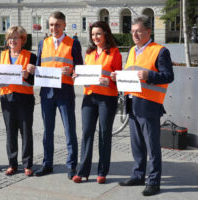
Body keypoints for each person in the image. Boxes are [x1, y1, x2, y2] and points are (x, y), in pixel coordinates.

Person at [111, 15, 174, 196]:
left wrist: (149, 75)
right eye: (132, 31)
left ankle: (153, 181)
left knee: (152, 146)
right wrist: (119, 77)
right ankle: (138, 175)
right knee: (137, 144)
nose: (135, 34)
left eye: (138, 31)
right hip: (132, 103)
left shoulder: (160, 51)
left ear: (148, 31)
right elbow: (131, 73)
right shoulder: (132, 51)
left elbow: (168, 76)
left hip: (149, 105)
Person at [30, 11, 83, 179]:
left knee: (69, 130)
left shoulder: (72, 43)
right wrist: (32, 70)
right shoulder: (42, 43)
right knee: (48, 131)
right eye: (52, 25)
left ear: (64, 25)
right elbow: (39, 67)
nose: (54, 28)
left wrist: (73, 70)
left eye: (58, 25)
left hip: (65, 92)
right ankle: (47, 164)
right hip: (46, 93)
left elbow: (80, 69)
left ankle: (72, 165)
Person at [72, 21, 122, 184]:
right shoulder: (89, 53)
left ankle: (102, 172)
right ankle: (83, 170)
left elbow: (120, 80)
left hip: (107, 98)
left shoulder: (115, 53)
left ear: (106, 34)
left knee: (104, 134)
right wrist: (79, 78)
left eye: (98, 34)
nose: (95, 37)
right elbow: (87, 76)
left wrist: (111, 82)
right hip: (89, 97)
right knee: (86, 133)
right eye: (93, 34)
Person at [0, 26, 36, 176]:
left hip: (25, 98)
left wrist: (29, 75)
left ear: (23, 40)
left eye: (16, 37)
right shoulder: (1, 55)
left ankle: (28, 164)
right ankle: (12, 163)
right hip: (7, 98)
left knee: (26, 132)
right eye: (10, 37)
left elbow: (35, 80)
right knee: (10, 132)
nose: (12, 40)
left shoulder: (31, 56)